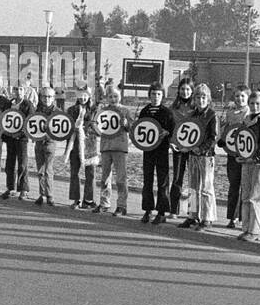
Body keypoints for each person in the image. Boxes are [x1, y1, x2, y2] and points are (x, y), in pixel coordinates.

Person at [179, 83, 220, 231]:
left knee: (206, 188)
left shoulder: (212, 115)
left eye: (203, 97)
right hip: (193, 155)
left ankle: (207, 217)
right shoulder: (192, 115)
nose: (201, 100)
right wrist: (187, 147)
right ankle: (192, 214)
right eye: (198, 97)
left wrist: (201, 149)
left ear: (208, 99)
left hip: (206, 156)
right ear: (194, 99)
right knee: (193, 187)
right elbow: (187, 133)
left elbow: (213, 137)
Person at [237, 87, 260, 243]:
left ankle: (256, 229)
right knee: (245, 195)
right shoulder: (247, 119)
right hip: (247, 161)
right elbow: (242, 140)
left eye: (258, 103)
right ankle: (246, 227)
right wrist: (241, 155)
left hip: (259, 162)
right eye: (251, 103)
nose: (254, 106)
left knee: (255, 196)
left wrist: (255, 157)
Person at [92, 85, 135, 216]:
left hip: (120, 147)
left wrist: (127, 124)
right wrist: (97, 129)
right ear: (106, 97)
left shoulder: (125, 110)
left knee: (121, 178)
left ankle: (122, 205)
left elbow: (132, 127)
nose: (113, 99)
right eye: (110, 96)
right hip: (106, 146)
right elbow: (95, 124)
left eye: (115, 96)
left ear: (120, 96)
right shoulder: (102, 110)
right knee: (105, 177)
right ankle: (104, 203)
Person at [137, 81, 176, 224]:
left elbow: (173, 130)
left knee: (163, 180)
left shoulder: (167, 112)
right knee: (147, 180)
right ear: (149, 95)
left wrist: (167, 133)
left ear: (163, 96)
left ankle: (162, 211)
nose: (156, 97)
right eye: (153, 94)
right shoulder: (145, 111)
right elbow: (139, 129)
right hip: (148, 150)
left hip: (161, 150)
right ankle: (147, 209)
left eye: (159, 94)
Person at [64, 86, 96, 208]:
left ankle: (88, 200)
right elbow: (67, 126)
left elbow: (97, 127)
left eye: (85, 95)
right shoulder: (71, 110)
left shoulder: (94, 110)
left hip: (89, 144)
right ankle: (75, 199)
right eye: (80, 95)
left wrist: (85, 129)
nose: (83, 98)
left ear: (89, 96)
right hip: (74, 144)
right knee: (74, 172)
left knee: (90, 173)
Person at [1, 82, 33, 200]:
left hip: (22, 139)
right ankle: (10, 188)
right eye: (16, 89)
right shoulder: (9, 104)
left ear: (24, 91)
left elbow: (31, 121)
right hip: (10, 138)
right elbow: (3, 118)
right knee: (10, 163)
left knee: (22, 163)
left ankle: (23, 189)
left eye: (21, 89)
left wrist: (21, 134)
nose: (18, 91)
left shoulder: (28, 105)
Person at [168, 77, 195, 217]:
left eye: (188, 89)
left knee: (194, 180)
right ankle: (173, 209)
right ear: (179, 90)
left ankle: (193, 211)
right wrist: (171, 143)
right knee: (177, 178)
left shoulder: (196, 108)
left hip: (193, 149)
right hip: (178, 147)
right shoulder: (173, 108)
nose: (185, 92)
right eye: (183, 89)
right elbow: (169, 128)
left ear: (192, 91)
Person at [222, 85, 249, 227]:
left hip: (245, 154)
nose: (240, 98)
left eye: (243, 96)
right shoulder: (230, 113)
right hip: (232, 153)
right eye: (237, 96)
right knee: (233, 185)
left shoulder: (249, 113)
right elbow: (226, 129)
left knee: (245, 186)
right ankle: (232, 217)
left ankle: (243, 216)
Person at [31, 85, 60, 206]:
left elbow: (60, 131)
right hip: (39, 143)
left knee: (48, 170)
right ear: (41, 97)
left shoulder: (57, 112)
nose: (47, 99)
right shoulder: (38, 111)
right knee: (40, 170)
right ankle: (42, 194)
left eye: (49, 96)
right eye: (44, 96)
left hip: (50, 143)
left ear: (53, 98)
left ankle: (50, 195)